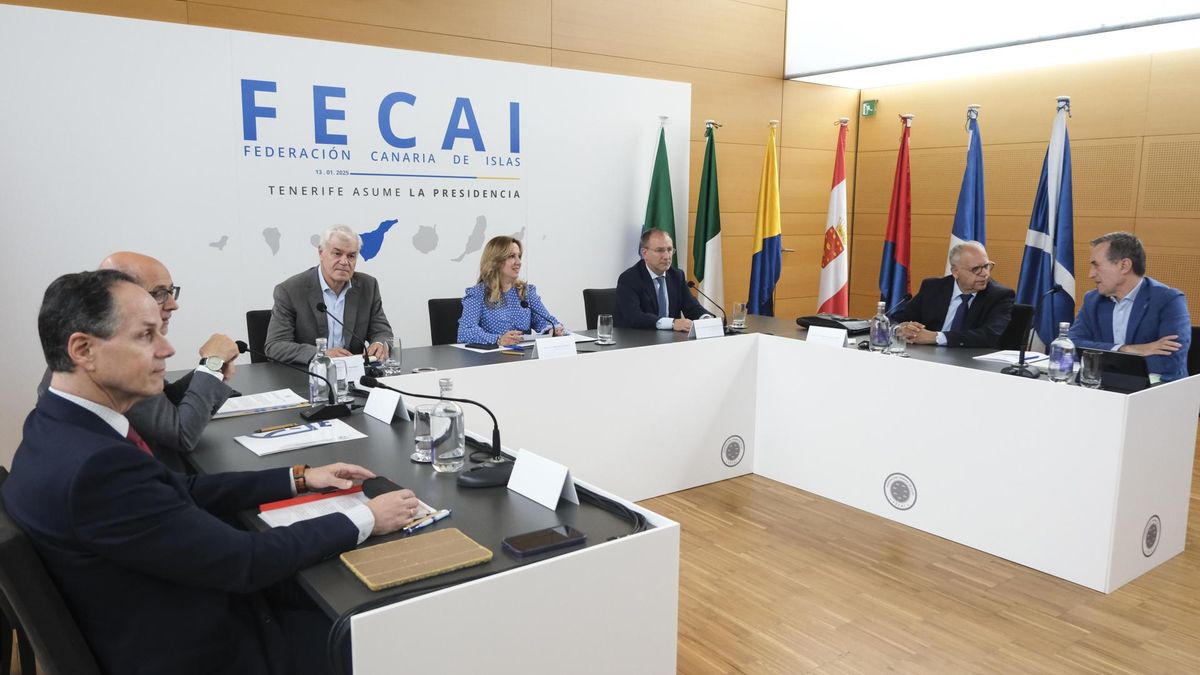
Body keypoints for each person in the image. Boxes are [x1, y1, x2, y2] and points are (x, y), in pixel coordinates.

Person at [2, 269, 422, 675]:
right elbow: (245, 562)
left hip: (154, 613)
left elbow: (178, 489)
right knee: (388, 630)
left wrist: (299, 478)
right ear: (83, 350)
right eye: (147, 335)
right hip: (208, 649)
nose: (167, 350)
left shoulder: (53, 425)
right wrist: (367, 517)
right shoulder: (97, 469)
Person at [36, 252, 238, 460]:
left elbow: (163, 400)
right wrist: (211, 367)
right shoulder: (108, 359)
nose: (172, 304)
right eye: (159, 293)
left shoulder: (99, 345)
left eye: (170, 291)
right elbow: (181, 435)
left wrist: (211, 369)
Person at [1069, 231, 1190, 381]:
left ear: (1124, 266)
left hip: (1156, 392)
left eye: (1096, 265)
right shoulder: (1093, 300)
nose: (1091, 274)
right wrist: (1127, 350)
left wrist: (1102, 356)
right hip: (1101, 387)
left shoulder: (1169, 300)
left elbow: (1170, 361)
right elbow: (1071, 345)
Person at [265, 224, 393, 364]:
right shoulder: (290, 290)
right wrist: (322, 354)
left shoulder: (368, 286)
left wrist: (380, 345)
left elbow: (382, 332)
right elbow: (275, 346)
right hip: (308, 376)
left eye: (351, 256)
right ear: (321, 253)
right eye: (337, 253)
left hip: (354, 374)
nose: (344, 262)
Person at [891, 241, 1014, 348]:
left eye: (987, 266)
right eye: (976, 269)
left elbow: (989, 335)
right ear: (955, 271)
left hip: (969, 363)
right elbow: (896, 319)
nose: (985, 274)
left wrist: (935, 337)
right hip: (927, 357)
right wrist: (900, 330)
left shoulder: (1000, 295)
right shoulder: (933, 288)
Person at [457, 236, 563, 346]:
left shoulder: (526, 291)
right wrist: (498, 339)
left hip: (523, 356)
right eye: (512, 256)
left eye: (519, 256)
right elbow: (465, 331)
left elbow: (544, 321)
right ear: (495, 261)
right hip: (492, 359)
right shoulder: (477, 293)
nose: (518, 262)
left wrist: (552, 329)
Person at [614, 228, 710, 331]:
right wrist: (672, 323)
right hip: (637, 340)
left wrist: (706, 319)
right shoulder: (629, 279)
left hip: (671, 342)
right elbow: (635, 317)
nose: (666, 256)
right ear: (644, 253)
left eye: (669, 250)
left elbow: (692, 307)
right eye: (659, 250)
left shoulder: (677, 276)